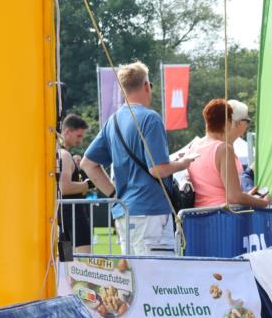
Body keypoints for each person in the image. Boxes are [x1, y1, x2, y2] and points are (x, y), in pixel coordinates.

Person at [81, 62, 197, 255]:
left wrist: (113, 194)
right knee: (157, 280)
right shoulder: (150, 118)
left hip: (125, 212)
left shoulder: (113, 121)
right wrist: (182, 164)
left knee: (134, 278)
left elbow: (88, 163)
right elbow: (157, 169)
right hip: (151, 211)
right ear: (146, 85)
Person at [189, 99, 272, 209]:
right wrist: (265, 201)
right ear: (229, 122)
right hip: (224, 217)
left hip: (199, 216)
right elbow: (234, 197)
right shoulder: (224, 149)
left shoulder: (194, 146)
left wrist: (248, 196)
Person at [58, 114, 92, 254]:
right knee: (84, 261)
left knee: (66, 262)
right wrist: (87, 185)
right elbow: (64, 187)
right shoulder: (64, 155)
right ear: (67, 132)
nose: (81, 140)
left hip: (63, 218)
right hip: (73, 218)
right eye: (78, 136)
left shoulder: (60, 154)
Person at [228, 99, 253, 168]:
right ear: (239, 123)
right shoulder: (225, 150)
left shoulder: (226, 146)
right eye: (248, 121)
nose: (248, 125)